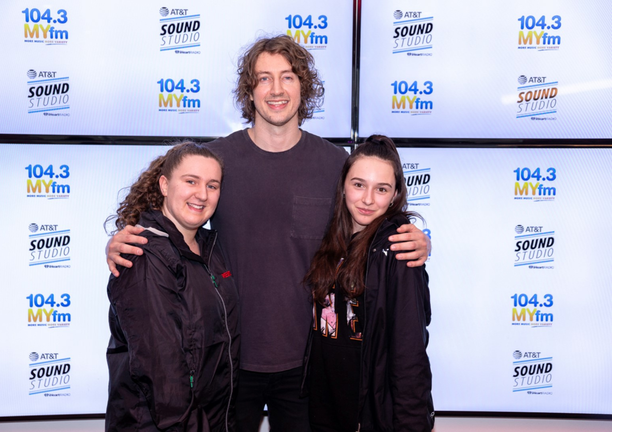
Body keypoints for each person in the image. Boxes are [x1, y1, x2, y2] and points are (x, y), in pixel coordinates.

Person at [106, 35, 430, 431]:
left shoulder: (334, 163)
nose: (276, 90)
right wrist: (125, 235)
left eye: (288, 77)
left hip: (309, 362)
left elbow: (368, 217)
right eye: (264, 79)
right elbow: (171, 215)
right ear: (250, 90)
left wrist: (412, 234)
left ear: (303, 86)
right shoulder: (217, 160)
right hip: (227, 361)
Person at [104, 142, 240, 431]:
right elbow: (164, 381)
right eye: (191, 181)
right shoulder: (143, 255)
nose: (202, 195)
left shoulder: (210, 250)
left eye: (212, 186)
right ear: (164, 185)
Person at [303, 135, 434, 432]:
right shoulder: (331, 238)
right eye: (359, 184)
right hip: (323, 409)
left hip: (367, 415)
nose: (367, 199)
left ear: (395, 194)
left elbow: (409, 350)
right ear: (344, 185)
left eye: (382, 189)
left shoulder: (398, 249)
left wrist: (412, 423)